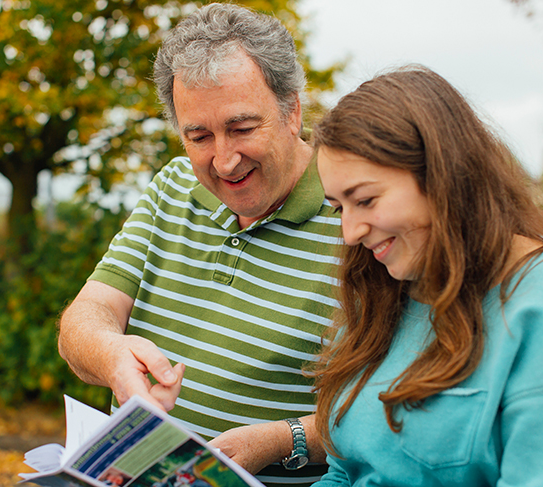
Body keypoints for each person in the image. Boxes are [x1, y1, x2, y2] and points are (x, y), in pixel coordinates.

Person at [309, 66, 543, 486]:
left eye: (366, 200)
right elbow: (346, 471)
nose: (350, 233)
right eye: (339, 208)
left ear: (442, 175)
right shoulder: (382, 296)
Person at [57, 4, 341, 485]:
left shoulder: (354, 215)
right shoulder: (171, 186)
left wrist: (280, 439)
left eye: (242, 128)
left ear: (292, 110)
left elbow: (392, 403)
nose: (225, 161)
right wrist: (111, 355)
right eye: (199, 136)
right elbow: (83, 320)